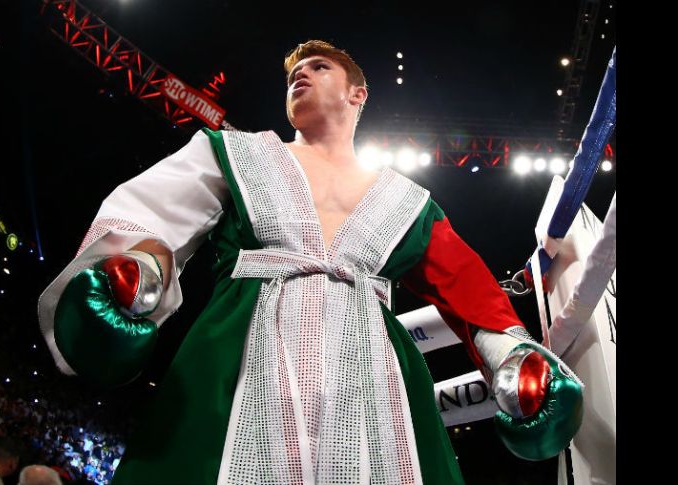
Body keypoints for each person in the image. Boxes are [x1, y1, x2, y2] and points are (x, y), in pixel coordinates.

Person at [39, 40, 582, 484]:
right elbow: (155, 215)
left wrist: (511, 354)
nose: (299, 75)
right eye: (293, 72)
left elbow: (463, 282)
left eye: (318, 68)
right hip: (239, 354)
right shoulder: (235, 152)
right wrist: (142, 269)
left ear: (357, 94)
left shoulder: (406, 201)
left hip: (372, 379)